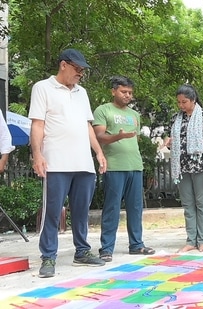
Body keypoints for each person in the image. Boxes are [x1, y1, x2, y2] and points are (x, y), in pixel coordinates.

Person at [29, 48, 107, 278]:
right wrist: (37, 154)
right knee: (52, 211)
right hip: (56, 162)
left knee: (82, 211)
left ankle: (82, 251)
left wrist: (99, 153)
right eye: (77, 68)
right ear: (64, 65)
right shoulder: (42, 88)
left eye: (82, 70)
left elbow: (87, 126)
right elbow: (37, 124)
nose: (80, 73)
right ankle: (48, 256)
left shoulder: (82, 92)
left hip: (83, 162)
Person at [92, 76, 155, 262]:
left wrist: (125, 139)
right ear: (113, 91)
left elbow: (134, 140)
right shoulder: (103, 110)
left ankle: (136, 245)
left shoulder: (135, 115)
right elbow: (99, 136)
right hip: (114, 167)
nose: (127, 95)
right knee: (112, 207)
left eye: (130, 93)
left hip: (135, 166)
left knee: (135, 208)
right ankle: (106, 248)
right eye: (123, 92)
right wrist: (117, 137)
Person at [168, 84, 203, 253]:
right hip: (181, 168)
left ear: (193, 100)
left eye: (184, 102)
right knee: (188, 204)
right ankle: (191, 240)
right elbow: (174, 140)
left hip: (201, 166)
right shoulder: (175, 117)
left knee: (202, 203)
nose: (181, 105)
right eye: (179, 102)